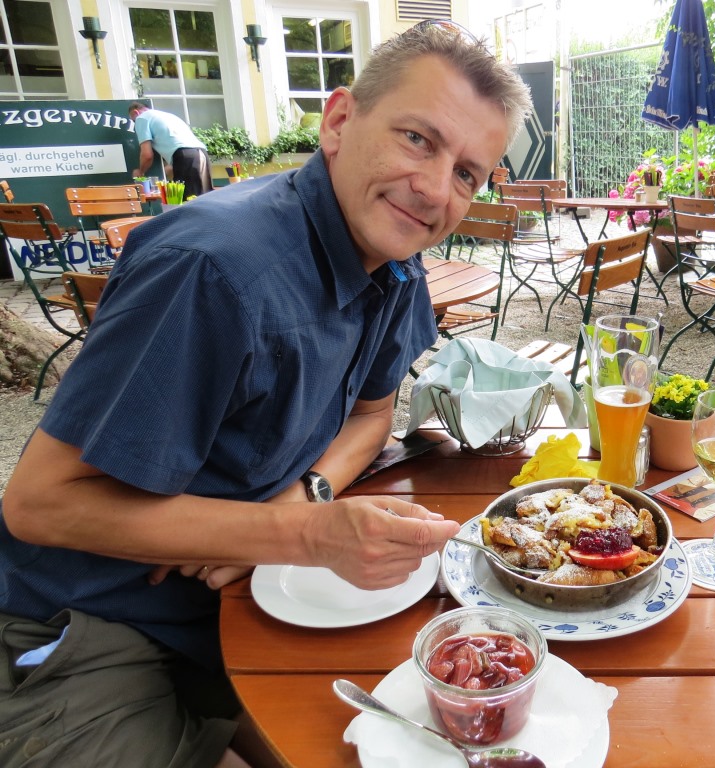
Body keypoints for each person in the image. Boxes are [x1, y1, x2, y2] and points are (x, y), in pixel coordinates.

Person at [1, 23, 530, 768]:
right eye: (418, 139)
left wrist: (298, 500)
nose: (438, 190)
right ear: (339, 121)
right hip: (85, 630)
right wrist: (303, 536)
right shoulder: (213, 269)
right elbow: (38, 505)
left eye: (468, 173)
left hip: (243, 609)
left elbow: (372, 414)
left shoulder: (395, 264)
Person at [129, 102, 215, 199]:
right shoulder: (167, 116)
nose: (135, 122)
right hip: (201, 153)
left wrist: (140, 172)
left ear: (136, 112)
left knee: (188, 201)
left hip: (185, 156)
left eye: (133, 120)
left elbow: (147, 155)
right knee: (204, 198)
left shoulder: (141, 118)